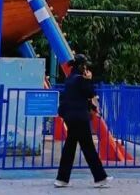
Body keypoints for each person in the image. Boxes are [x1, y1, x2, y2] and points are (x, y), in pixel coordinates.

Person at [55, 54, 111, 189]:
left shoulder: (69, 79)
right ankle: (100, 178)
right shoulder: (80, 80)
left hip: (70, 117)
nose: (86, 67)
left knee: (69, 148)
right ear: (81, 66)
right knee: (88, 148)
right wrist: (89, 80)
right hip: (80, 118)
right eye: (85, 65)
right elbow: (90, 93)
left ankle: (61, 179)